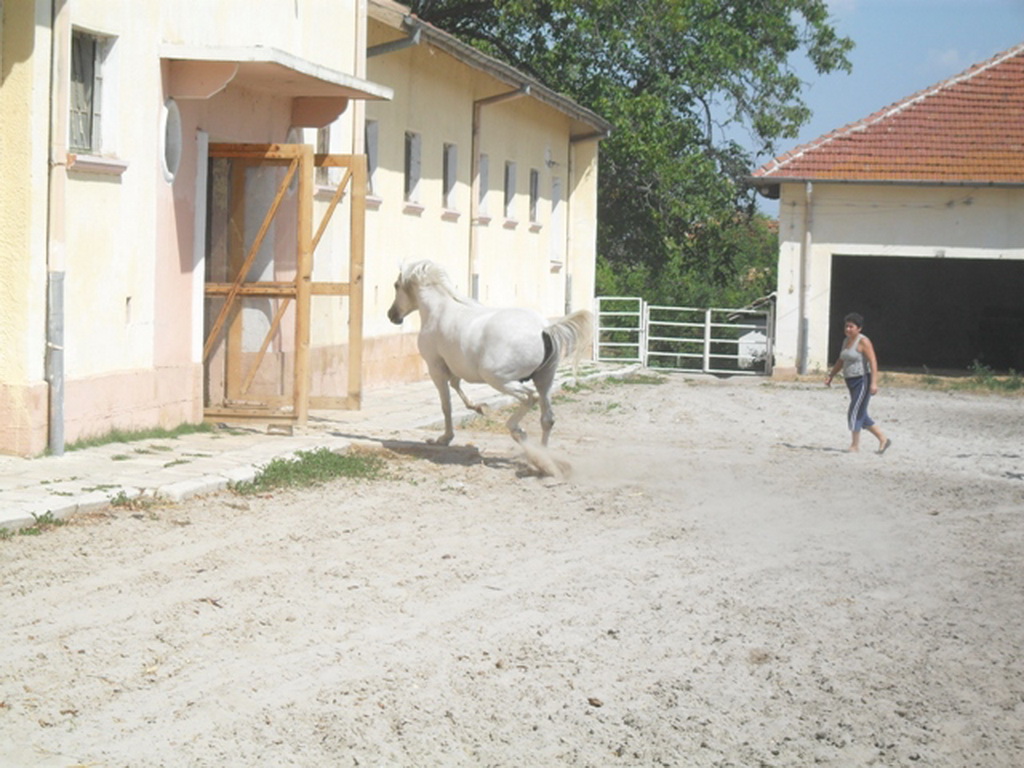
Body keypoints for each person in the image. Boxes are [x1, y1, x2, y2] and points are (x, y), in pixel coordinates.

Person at [824, 312, 892, 454]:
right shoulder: (846, 341)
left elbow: (873, 361)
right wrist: (831, 375)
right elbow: (841, 360)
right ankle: (883, 439)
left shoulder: (863, 341)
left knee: (854, 411)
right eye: (846, 326)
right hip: (850, 380)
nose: (848, 329)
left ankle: (854, 445)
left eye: (851, 326)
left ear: (859, 328)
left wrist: (874, 383)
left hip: (862, 380)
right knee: (861, 412)